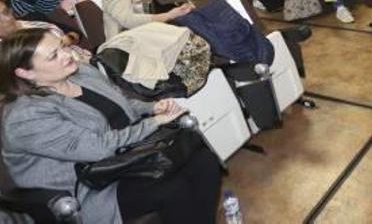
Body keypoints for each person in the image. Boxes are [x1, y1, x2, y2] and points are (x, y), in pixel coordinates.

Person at [0, 28, 221, 223]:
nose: (67, 54)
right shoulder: (25, 117)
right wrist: (154, 123)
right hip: (91, 185)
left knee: (204, 161)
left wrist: (152, 108)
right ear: (25, 73)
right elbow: (98, 148)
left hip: (125, 158)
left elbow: (122, 102)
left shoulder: (81, 73)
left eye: (62, 47)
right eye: (53, 55)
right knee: (172, 188)